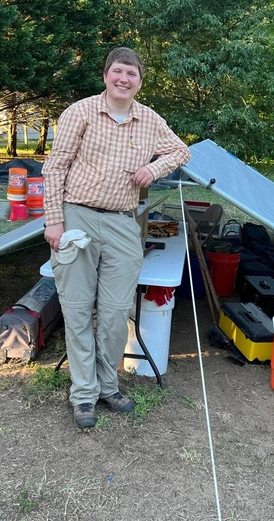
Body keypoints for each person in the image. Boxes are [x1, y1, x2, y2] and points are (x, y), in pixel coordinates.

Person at [42, 47, 190, 428]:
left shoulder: (149, 119)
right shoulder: (81, 111)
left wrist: (153, 168)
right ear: (106, 75)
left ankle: (108, 386)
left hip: (124, 222)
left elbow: (180, 150)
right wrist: (54, 221)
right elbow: (55, 166)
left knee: (113, 314)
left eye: (132, 74)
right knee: (76, 310)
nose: (124, 79)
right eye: (118, 72)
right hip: (78, 216)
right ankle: (84, 395)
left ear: (140, 81)